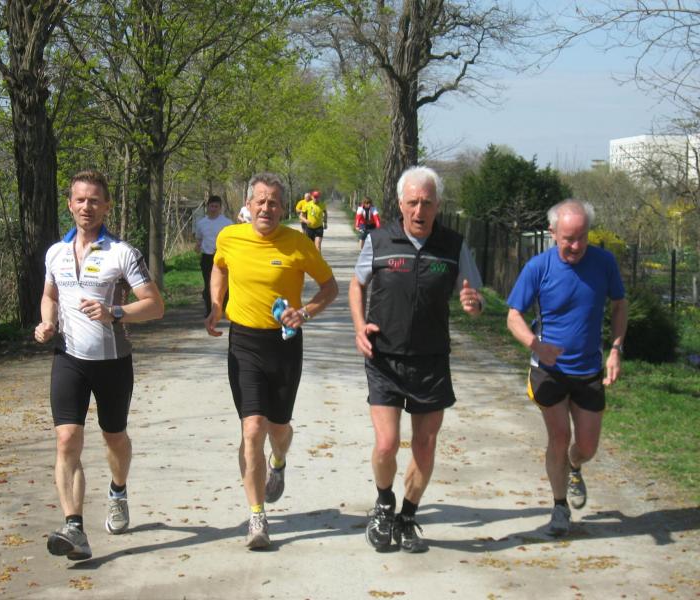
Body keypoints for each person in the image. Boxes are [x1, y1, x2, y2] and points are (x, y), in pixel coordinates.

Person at [349, 165, 484, 553]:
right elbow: (357, 284)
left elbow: (474, 297)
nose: (419, 210)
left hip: (431, 360)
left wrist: (474, 304)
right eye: (412, 202)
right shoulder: (379, 240)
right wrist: (359, 326)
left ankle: (407, 517)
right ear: (400, 203)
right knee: (387, 444)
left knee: (424, 446)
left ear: (438, 204)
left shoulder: (454, 245)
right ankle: (384, 504)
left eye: (427, 202)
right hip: (384, 358)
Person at [34, 170, 164, 561]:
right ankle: (74, 528)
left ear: (107, 206)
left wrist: (115, 312)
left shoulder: (123, 253)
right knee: (66, 439)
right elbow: (49, 295)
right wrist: (47, 322)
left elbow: (155, 306)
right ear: (69, 205)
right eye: (80, 200)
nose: (86, 207)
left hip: (112, 363)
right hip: (68, 358)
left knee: (114, 437)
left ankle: (118, 491)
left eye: (94, 200)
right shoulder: (55, 253)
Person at [205, 172, 338, 549]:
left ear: (283, 208)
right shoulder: (229, 237)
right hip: (244, 342)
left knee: (278, 429)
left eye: (273, 202)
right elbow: (219, 267)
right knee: (252, 429)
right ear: (248, 205)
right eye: (260, 201)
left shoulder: (298, 243)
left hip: (284, 344)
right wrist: (216, 304)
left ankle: (278, 461)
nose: (266, 207)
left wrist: (305, 312)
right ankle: (257, 517)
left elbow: (330, 288)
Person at [506, 199, 627, 537]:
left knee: (586, 447)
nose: (575, 246)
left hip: (588, 369)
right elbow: (513, 316)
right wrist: (535, 345)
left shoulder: (604, 262)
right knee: (559, 436)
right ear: (553, 233)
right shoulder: (538, 267)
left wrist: (616, 350)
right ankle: (559, 507)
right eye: (568, 239)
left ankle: (575, 466)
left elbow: (620, 304)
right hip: (549, 370)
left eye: (582, 237)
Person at [195, 195, 233, 317]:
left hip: (223, 257)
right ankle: (209, 310)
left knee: (224, 283)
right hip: (207, 257)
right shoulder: (201, 223)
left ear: (220, 208)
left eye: (216, 206)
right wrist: (197, 247)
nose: (213, 209)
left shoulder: (227, 223)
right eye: (211, 206)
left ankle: (224, 308)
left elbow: (231, 241)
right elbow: (199, 239)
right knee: (208, 284)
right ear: (208, 207)